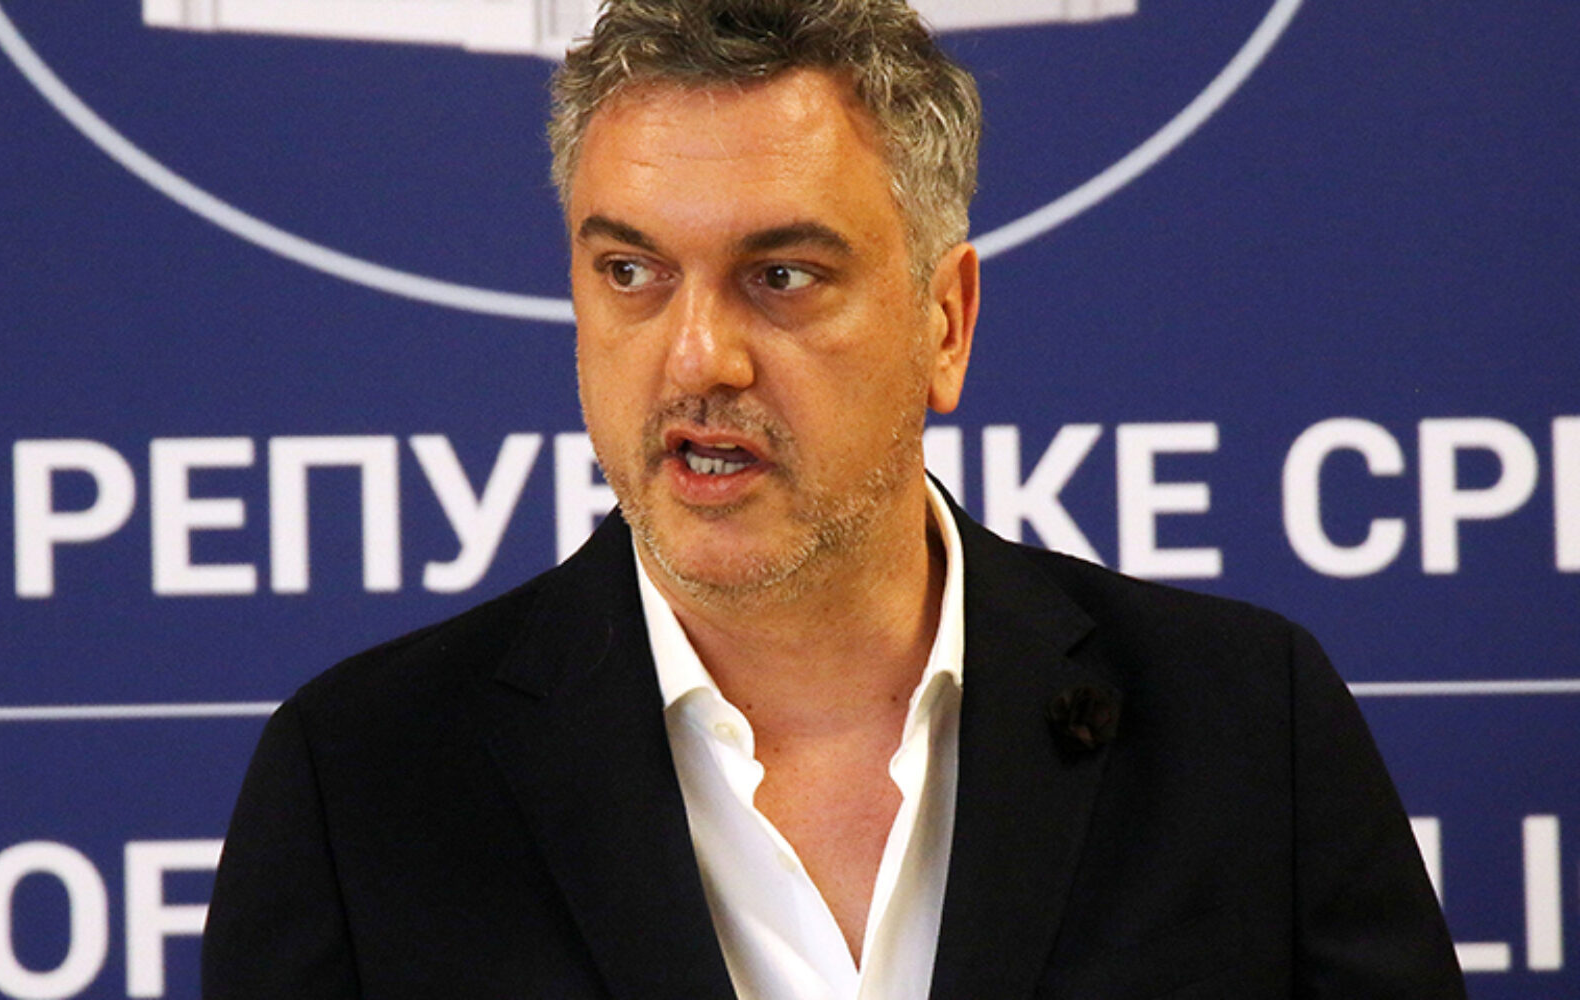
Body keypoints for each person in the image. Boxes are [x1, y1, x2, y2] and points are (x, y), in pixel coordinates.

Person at [201, 1, 1466, 997]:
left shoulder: (1242, 728)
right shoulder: (363, 786)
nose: (698, 359)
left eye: (783, 275)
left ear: (944, 322)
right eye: (631, 271)